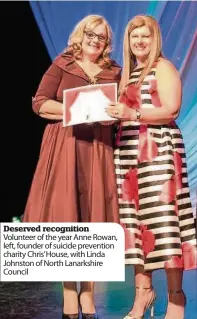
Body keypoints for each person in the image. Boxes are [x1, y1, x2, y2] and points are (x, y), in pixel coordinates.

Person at [23, 15, 121, 319]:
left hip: (98, 149)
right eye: (91, 34)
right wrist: (75, 107)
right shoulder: (63, 63)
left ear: (107, 43)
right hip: (65, 146)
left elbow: (118, 109)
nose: (95, 40)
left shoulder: (114, 71)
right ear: (81, 34)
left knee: (93, 217)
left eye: (101, 37)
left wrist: (113, 113)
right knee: (67, 216)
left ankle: (88, 292)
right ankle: (69, 292)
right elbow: (39, 103)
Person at [106, 15, 197, 319]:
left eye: (145, 36)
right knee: (133, 225)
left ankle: (176, 295)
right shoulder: (126, 74)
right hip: (128, 153)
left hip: (159, 151)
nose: (140, 42)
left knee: (164, 222)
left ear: (154, 38)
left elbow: (171, 109)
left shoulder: (164, 68)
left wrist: (130, 112)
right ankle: (142, 294)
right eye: (134, 38)